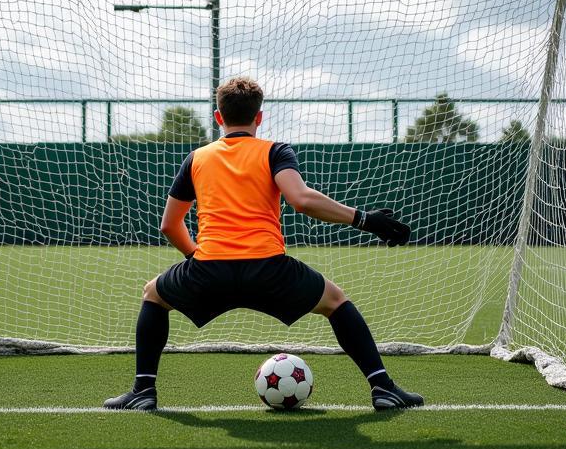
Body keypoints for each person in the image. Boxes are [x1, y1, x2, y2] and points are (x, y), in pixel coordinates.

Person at [104, 76, 424, 412]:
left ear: (218, 117)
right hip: (270, 269)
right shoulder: (275, 152)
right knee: (335, 301)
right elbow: (300, 199)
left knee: (153, 294)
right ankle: (382, 388)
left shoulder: (197, 158)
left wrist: (195, 256)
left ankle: (143, 391)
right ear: (259, 116)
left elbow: (169, 224)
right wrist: (363, 219)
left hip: (208, 269)